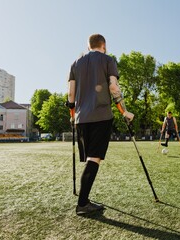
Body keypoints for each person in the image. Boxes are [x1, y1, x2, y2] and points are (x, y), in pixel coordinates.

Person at [66, 34, 134, 215]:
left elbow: (70, 95)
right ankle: (82, 204)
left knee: (90, 158)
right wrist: (124, 111)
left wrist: (72, 116)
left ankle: (84, 200)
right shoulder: (108, 60)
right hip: (101, 115)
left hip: (81, 118)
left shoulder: (75, 63)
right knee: (94, 158)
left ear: (88, 46)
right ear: (104, 45)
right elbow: (114, 87)